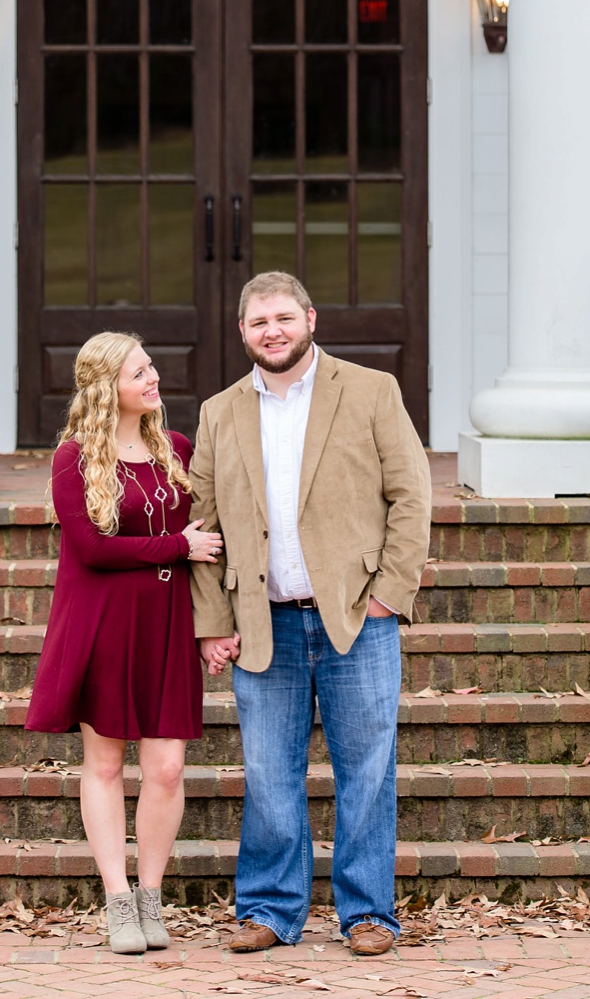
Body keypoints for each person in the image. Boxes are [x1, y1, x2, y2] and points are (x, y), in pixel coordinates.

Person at [189, 272, 430, 957]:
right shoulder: (220, 412)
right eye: (259, 321)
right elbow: (201, 525)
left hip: (358, 616)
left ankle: (368, 914)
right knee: (268, 774)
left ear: (310, 319)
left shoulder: (371, 391)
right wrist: (214, 619)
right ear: (242, 332)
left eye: (284, 318)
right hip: (264, 622)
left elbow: (410, 497)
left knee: (368, 769)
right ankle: (269, 909)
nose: (273, 330)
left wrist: (391, 591)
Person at [26, 332, 223, 955]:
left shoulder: (179, 449)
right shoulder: (75, 457)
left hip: (166, 622)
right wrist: (174, 547)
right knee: (106, 765)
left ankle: (149, 896)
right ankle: (116, 900)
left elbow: (211, 539)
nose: (154, 378)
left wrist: (214, 621)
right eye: (140, 371)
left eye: (152, 367)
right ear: (107, 384)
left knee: (166, 769)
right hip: (103, 624)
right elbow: (91, 549)